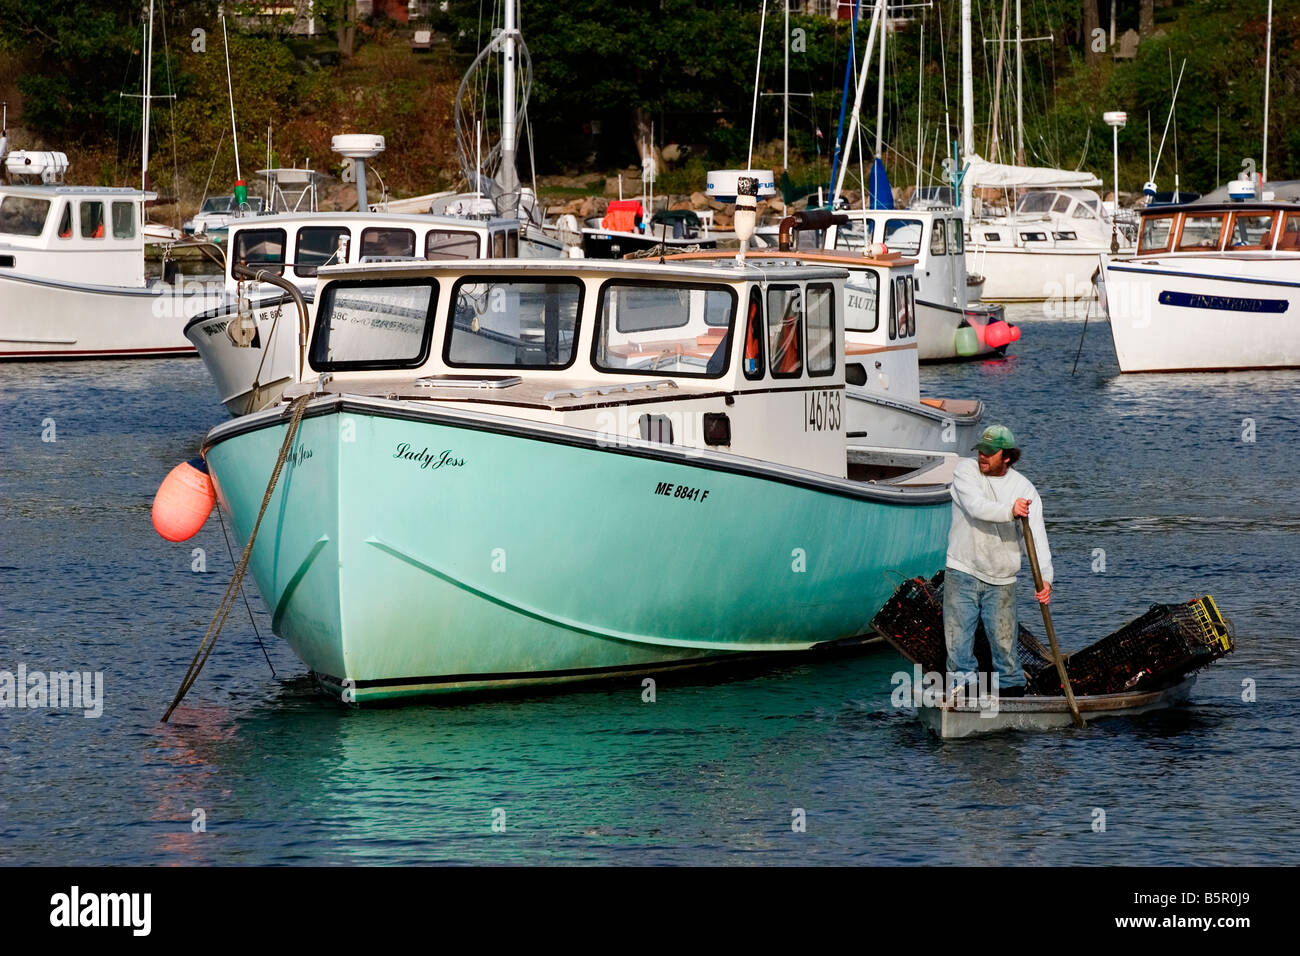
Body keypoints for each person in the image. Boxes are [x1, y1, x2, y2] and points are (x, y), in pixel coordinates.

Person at [944, 424, 1052, 698]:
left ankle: (1011, 692)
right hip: (963, 569)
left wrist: (1046, 580)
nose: (982, 456)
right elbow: (975, 507)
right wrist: (1010, 510)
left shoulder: (1024, 488)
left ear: (1007, 457)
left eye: (990, 453)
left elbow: (1037, 538)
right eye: (981, 450)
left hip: (1002, 578)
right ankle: (962, 689)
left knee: (1004, 646)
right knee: (958, 642)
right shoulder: (964, 471)